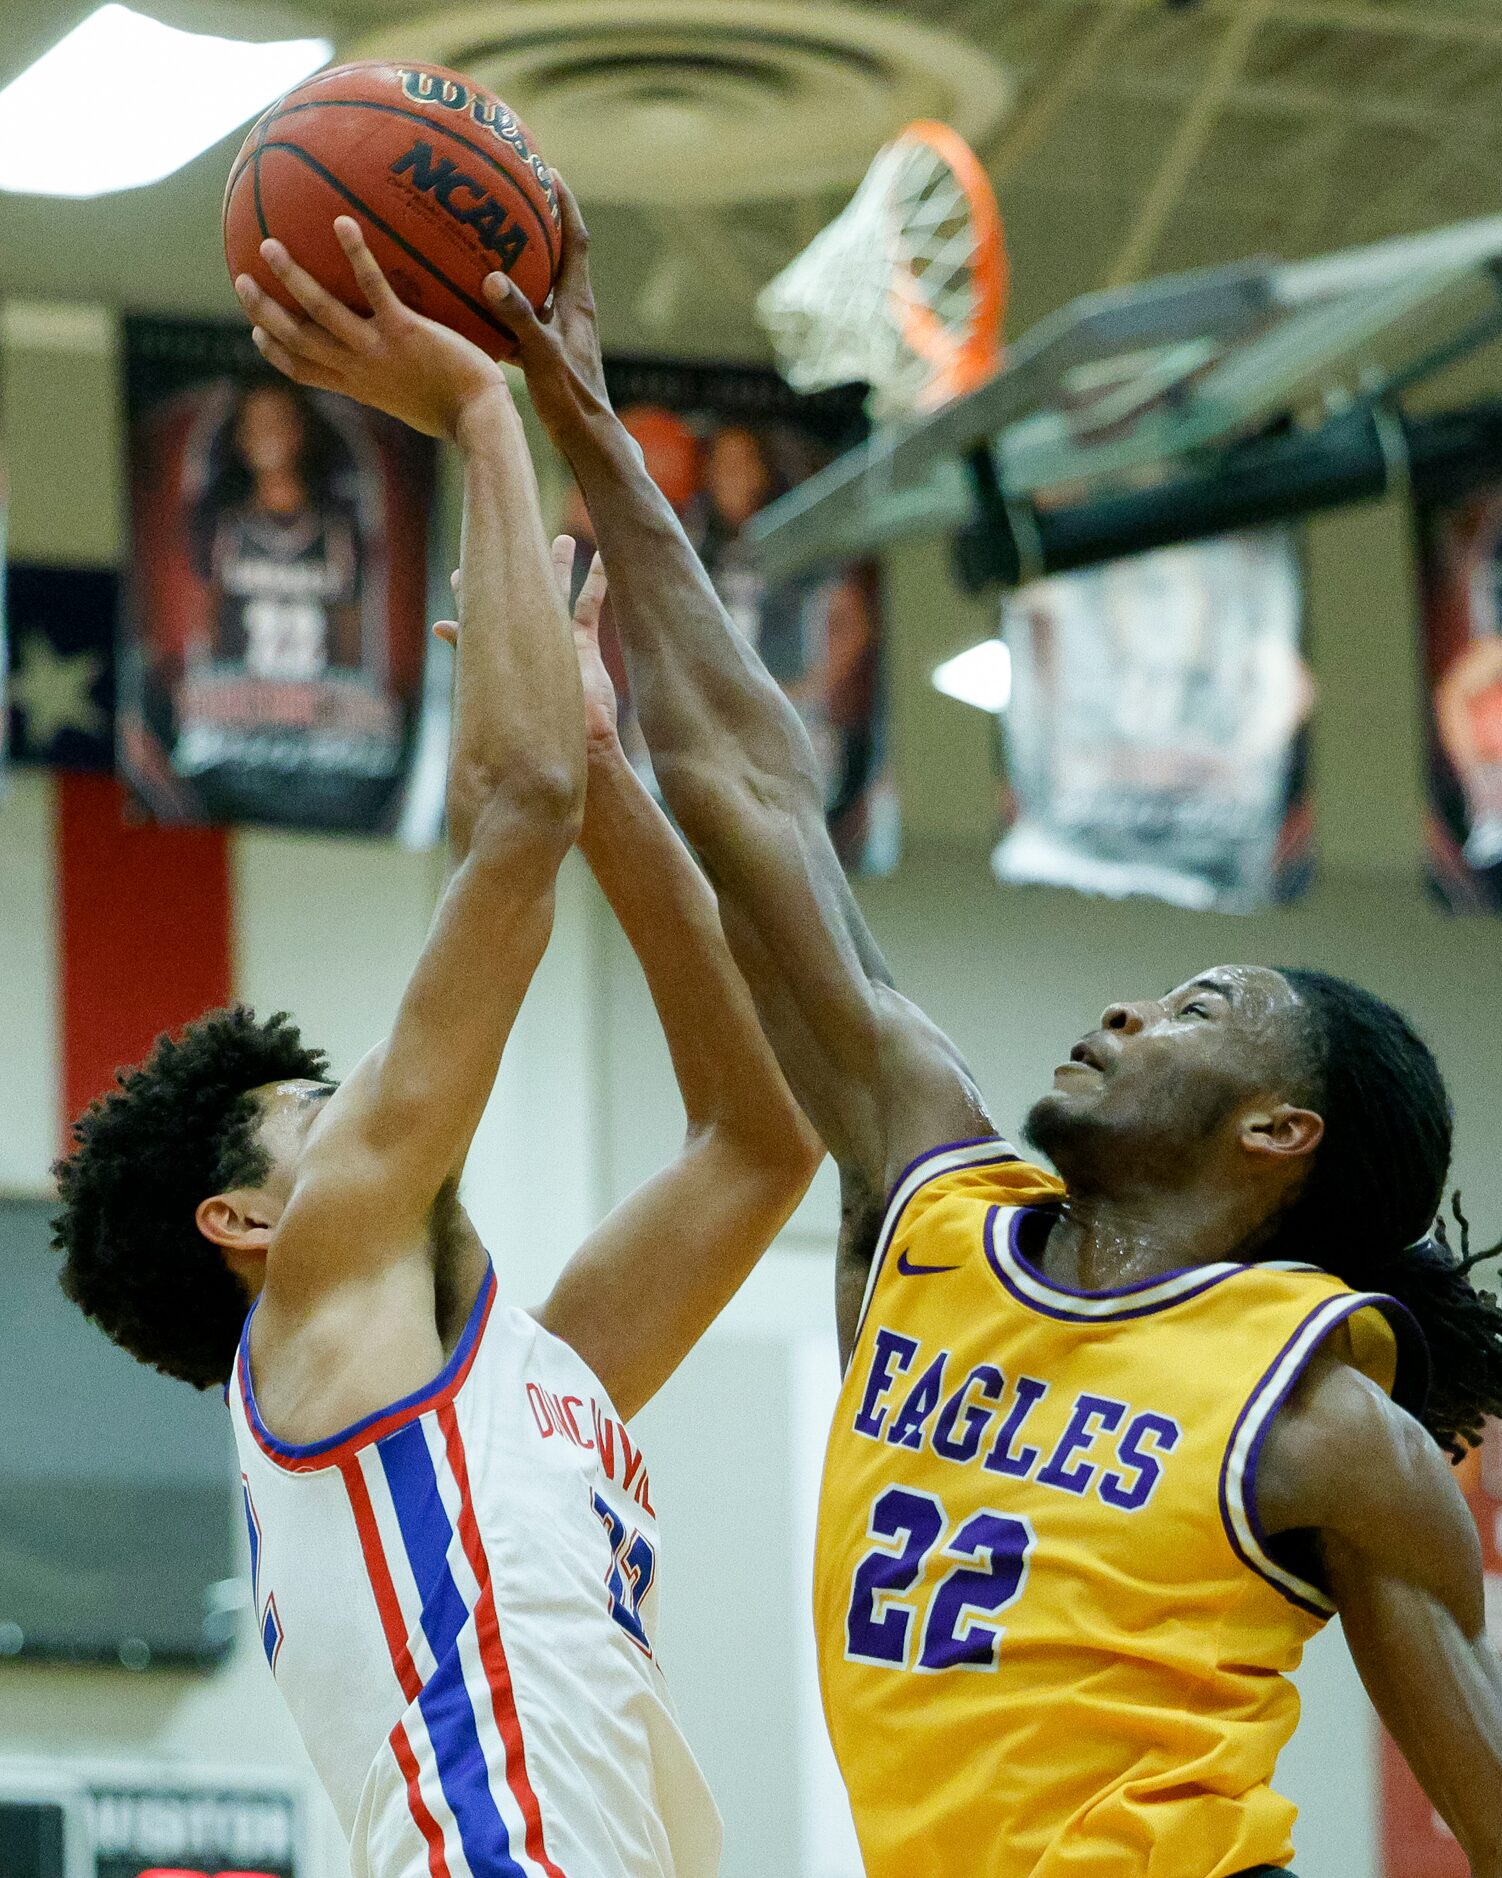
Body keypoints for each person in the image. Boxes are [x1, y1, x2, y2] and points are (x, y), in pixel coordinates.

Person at [468, 185, 1502, 1875]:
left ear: (1278, 1131)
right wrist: (590, 425)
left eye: (1198, 1009)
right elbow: (749, 794)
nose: (1125, 1007)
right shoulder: (932, 1207)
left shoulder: (1320, 1423)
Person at [56, 217, 819, 1878]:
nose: (390, 1100)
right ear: (250, 1224)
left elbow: (761, 1140)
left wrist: (612, 775)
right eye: (315, 1111)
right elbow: (511, 814)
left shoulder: (519, 1384)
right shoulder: (326, 1300)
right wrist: (483, 414)